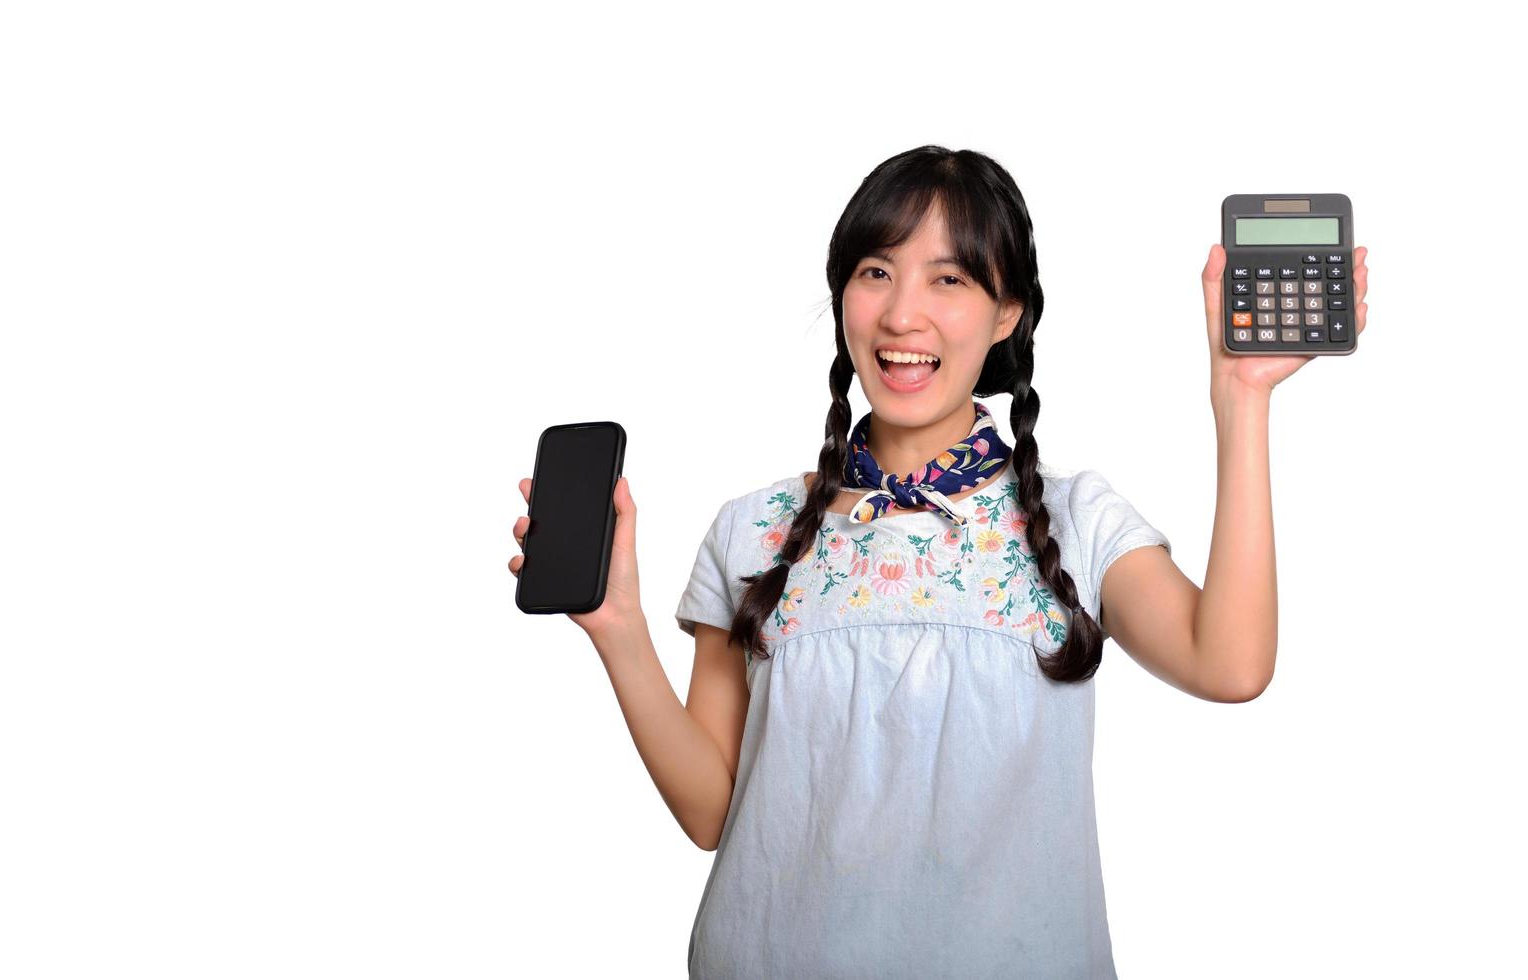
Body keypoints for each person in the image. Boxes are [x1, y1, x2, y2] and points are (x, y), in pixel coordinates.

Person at [508, 145, 1370, 978]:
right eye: (876, 271)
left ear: (1008, 314)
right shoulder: (754, 529)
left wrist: (1241, 399)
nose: (900, 314)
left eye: (948, 278)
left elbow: (1231, 665)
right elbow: (709, 811)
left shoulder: (1073, 522)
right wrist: (617, 629)